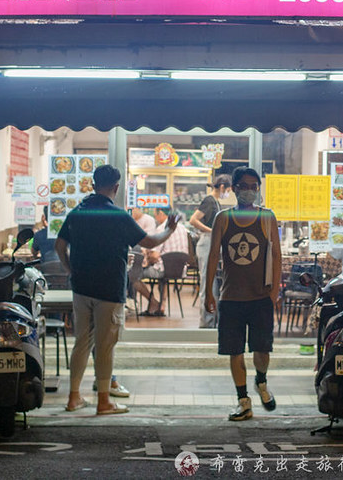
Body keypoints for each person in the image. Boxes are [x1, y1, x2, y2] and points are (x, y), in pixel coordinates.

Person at [55, 164, 180, 415]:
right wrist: (170, 229)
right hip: (109, 290)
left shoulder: (77, 213)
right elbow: (150, 241)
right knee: (105, 346)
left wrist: (70, 271)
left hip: (81, 288)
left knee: (81, 343)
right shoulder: (118, 216)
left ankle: (73, 398)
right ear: (116, 187)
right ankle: (104, 401)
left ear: (92, 184)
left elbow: (60, 246)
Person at [204, 167, 282, 422]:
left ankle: (261, 381)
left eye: (254, 186)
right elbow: (213, 255)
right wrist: (208, 293)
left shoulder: (268, 217)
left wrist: (274, 292)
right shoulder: (223, 218)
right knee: (234, 351)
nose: (249, 191)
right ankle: (243, 401)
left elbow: (277, 256)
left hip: (261, 297)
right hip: (231, 298)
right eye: (244, 186)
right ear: (234, 189)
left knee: (262, 350)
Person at [189, 174, 232, 328]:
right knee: (208, 283)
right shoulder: (209, 201)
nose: (228, 193)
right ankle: (206, 323)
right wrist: (213, 231)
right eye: (228, 190)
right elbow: (193, 220)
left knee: (212, 284)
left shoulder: (216, 202)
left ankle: (212, 321)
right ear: (222, 187)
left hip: (211, 243)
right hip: (207, 243)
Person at [132, 207, 190, 316]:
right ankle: (162, 306)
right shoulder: (182, 228)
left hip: (163, 270)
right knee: (163, 278)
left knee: (134, 277)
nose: (155, 218)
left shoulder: (162, 229)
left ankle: (153, 302)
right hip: (180, 270)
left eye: (156, 215)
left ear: (162, 213)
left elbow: (155, 255)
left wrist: (147, 259)